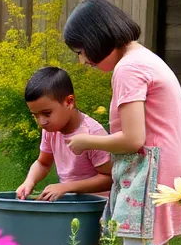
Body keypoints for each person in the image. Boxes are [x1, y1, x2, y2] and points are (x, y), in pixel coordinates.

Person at [61, 0, 181, 245]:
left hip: (152, 172)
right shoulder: (145, 58)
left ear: (97, 38)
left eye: (82, 51)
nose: (82, 61)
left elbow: (134, 139)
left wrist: (87, 141)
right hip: (172, 167)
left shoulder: (128, 69)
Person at [14, 66, 113, 201]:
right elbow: (43, 163)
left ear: (69, 102)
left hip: (96, 209)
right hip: (69, 205)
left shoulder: (92, 134)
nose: (42, 122)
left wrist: (66, 187)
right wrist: (29, 181)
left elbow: (110, 178)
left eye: (47, 113)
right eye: (36, 115)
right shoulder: (51, 130)